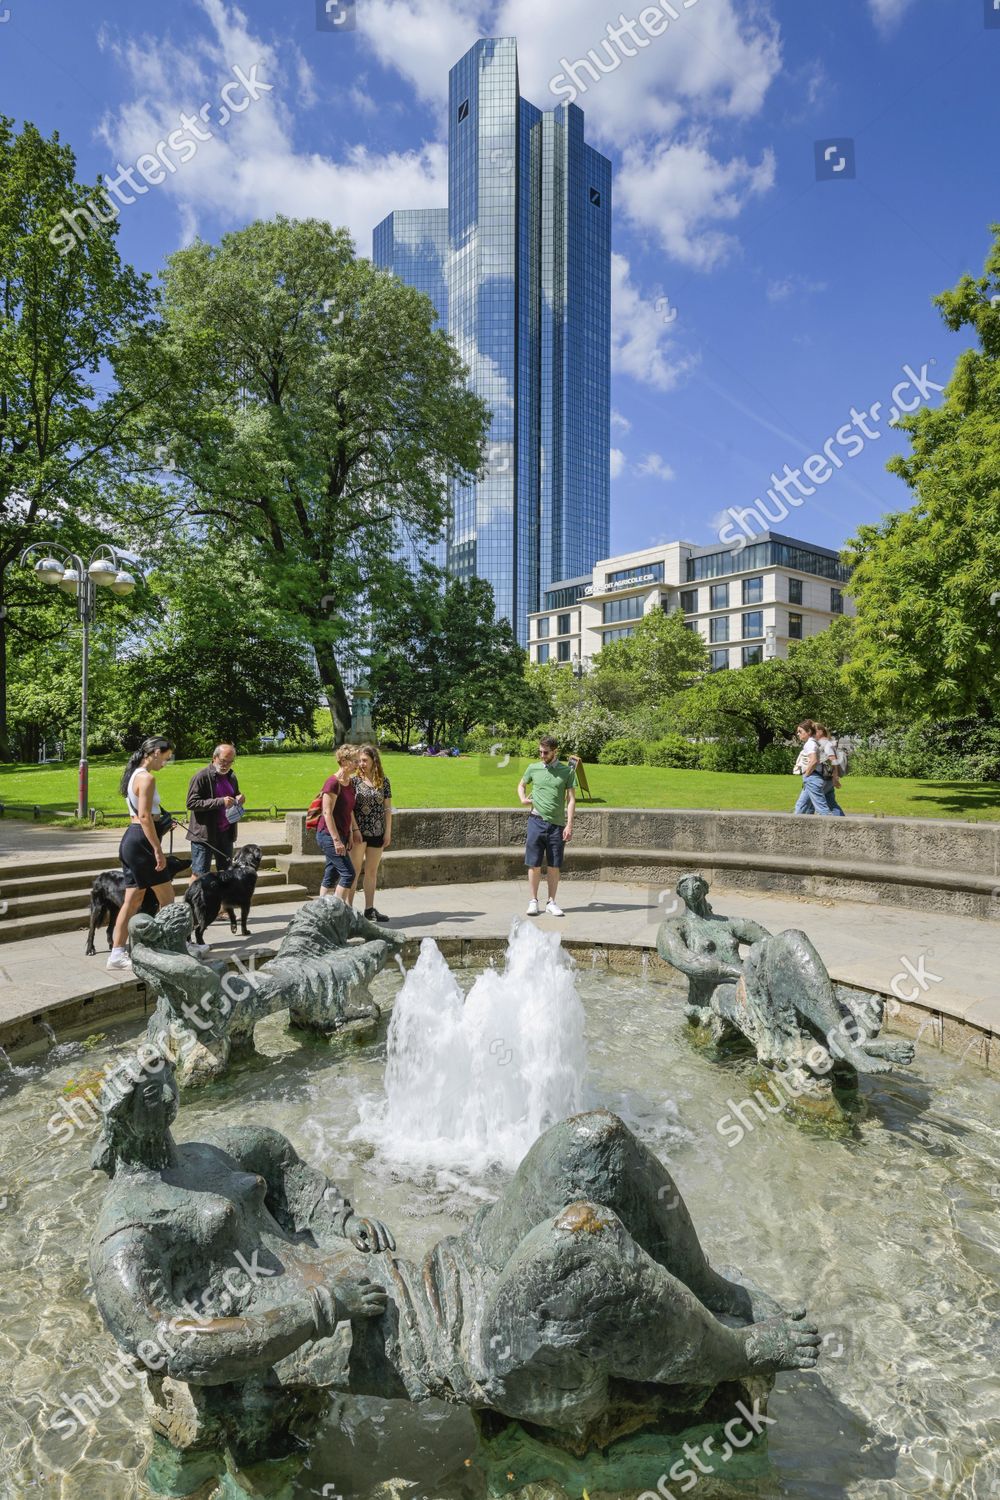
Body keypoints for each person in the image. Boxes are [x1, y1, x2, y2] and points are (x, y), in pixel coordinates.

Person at [89, 1063, 820, 1484]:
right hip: (465, 1351)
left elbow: (280, 1161)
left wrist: (339, 1220)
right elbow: (168, 1344)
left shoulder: (208, 1155)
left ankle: (716, 1295)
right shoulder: (130, 1233)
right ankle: (735, 1353)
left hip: (445, 1269)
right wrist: (317, 1311)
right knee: (580, 1249)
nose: (168, 1086)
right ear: (123, 1117)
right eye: (150, 1090)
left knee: (592, 1141)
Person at [108, 736, 178, 971]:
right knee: (168, 899)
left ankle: (117, 953)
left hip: (133, 840)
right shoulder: (147, 778)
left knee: (133, 900)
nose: (165, 763)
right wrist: (157, 849)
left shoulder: (135, 774)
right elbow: (145, 816)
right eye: (166, 758)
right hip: (142, 841)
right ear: (156, 752)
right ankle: (174, 946)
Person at [517, 733, 576, 917]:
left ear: (554, 751)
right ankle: (533, 901)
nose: (542, 756)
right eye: (540, 752)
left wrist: (569, 825)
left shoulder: (567, 772)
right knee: (533, 864)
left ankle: (551, 902)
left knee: (554, 865)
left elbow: (571, 800)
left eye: (545, 752)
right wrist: (523, 798)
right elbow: (521, 785)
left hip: (557, 825)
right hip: (535, 820)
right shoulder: (533, 768)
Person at [185, 743, 246, 877]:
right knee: (199, 873)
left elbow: (234, 794)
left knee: (226, 872)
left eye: (230, 762)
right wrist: (220, 802)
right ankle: (192, 898)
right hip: (204, 835)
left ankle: (223, 898)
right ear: (214, 758)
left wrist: (239, 797)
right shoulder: (201, 776)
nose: (226, 765)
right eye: (223, 760)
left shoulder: (231, 777)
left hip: (226, 833)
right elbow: (191, 803)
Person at [350, 743, 393, 922]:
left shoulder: (384, 781)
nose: (361, 763)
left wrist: (387, 831)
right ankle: (348, 910)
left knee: (372, 871)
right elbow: (349, 809)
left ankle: (369, 909)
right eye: (359, 760)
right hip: (359, 832)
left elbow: (387, 808)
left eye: (365, 760)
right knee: (353, 871)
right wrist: (355, 829)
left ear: (374, 761)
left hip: (377, 831)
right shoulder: (353, 781)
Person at [315, 745, 363, 901]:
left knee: (331, 872)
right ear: (343, 761)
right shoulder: (332, 783)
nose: (358, 764)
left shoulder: (349, 782)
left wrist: (351, 832)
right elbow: (327, 813)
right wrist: (336, 840)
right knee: (348, 874)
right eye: (355, 761)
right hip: (328, 835)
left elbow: (348, 810)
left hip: (342, 833)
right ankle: (336, 910)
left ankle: (321, 909)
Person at [791, 719, 833, 816]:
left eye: (800, 731)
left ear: (809, 732)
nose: (798, 734)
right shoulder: (815, 742)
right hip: (816, 777)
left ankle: (833, 828)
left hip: (812, 778)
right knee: (802, 806)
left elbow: (814, 761)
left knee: (822, 809)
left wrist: (806, 775)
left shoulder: (809, 744)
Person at [813, 722, 846, 816]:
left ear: (820, 732)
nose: (811, 734)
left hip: (825, 778)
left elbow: (832, 759)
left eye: (813, 732)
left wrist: (835, 777)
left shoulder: (825, 743)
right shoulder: (827, 742)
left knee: (809, 801)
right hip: (828, 778)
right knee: (831, 803)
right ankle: (842, 822)